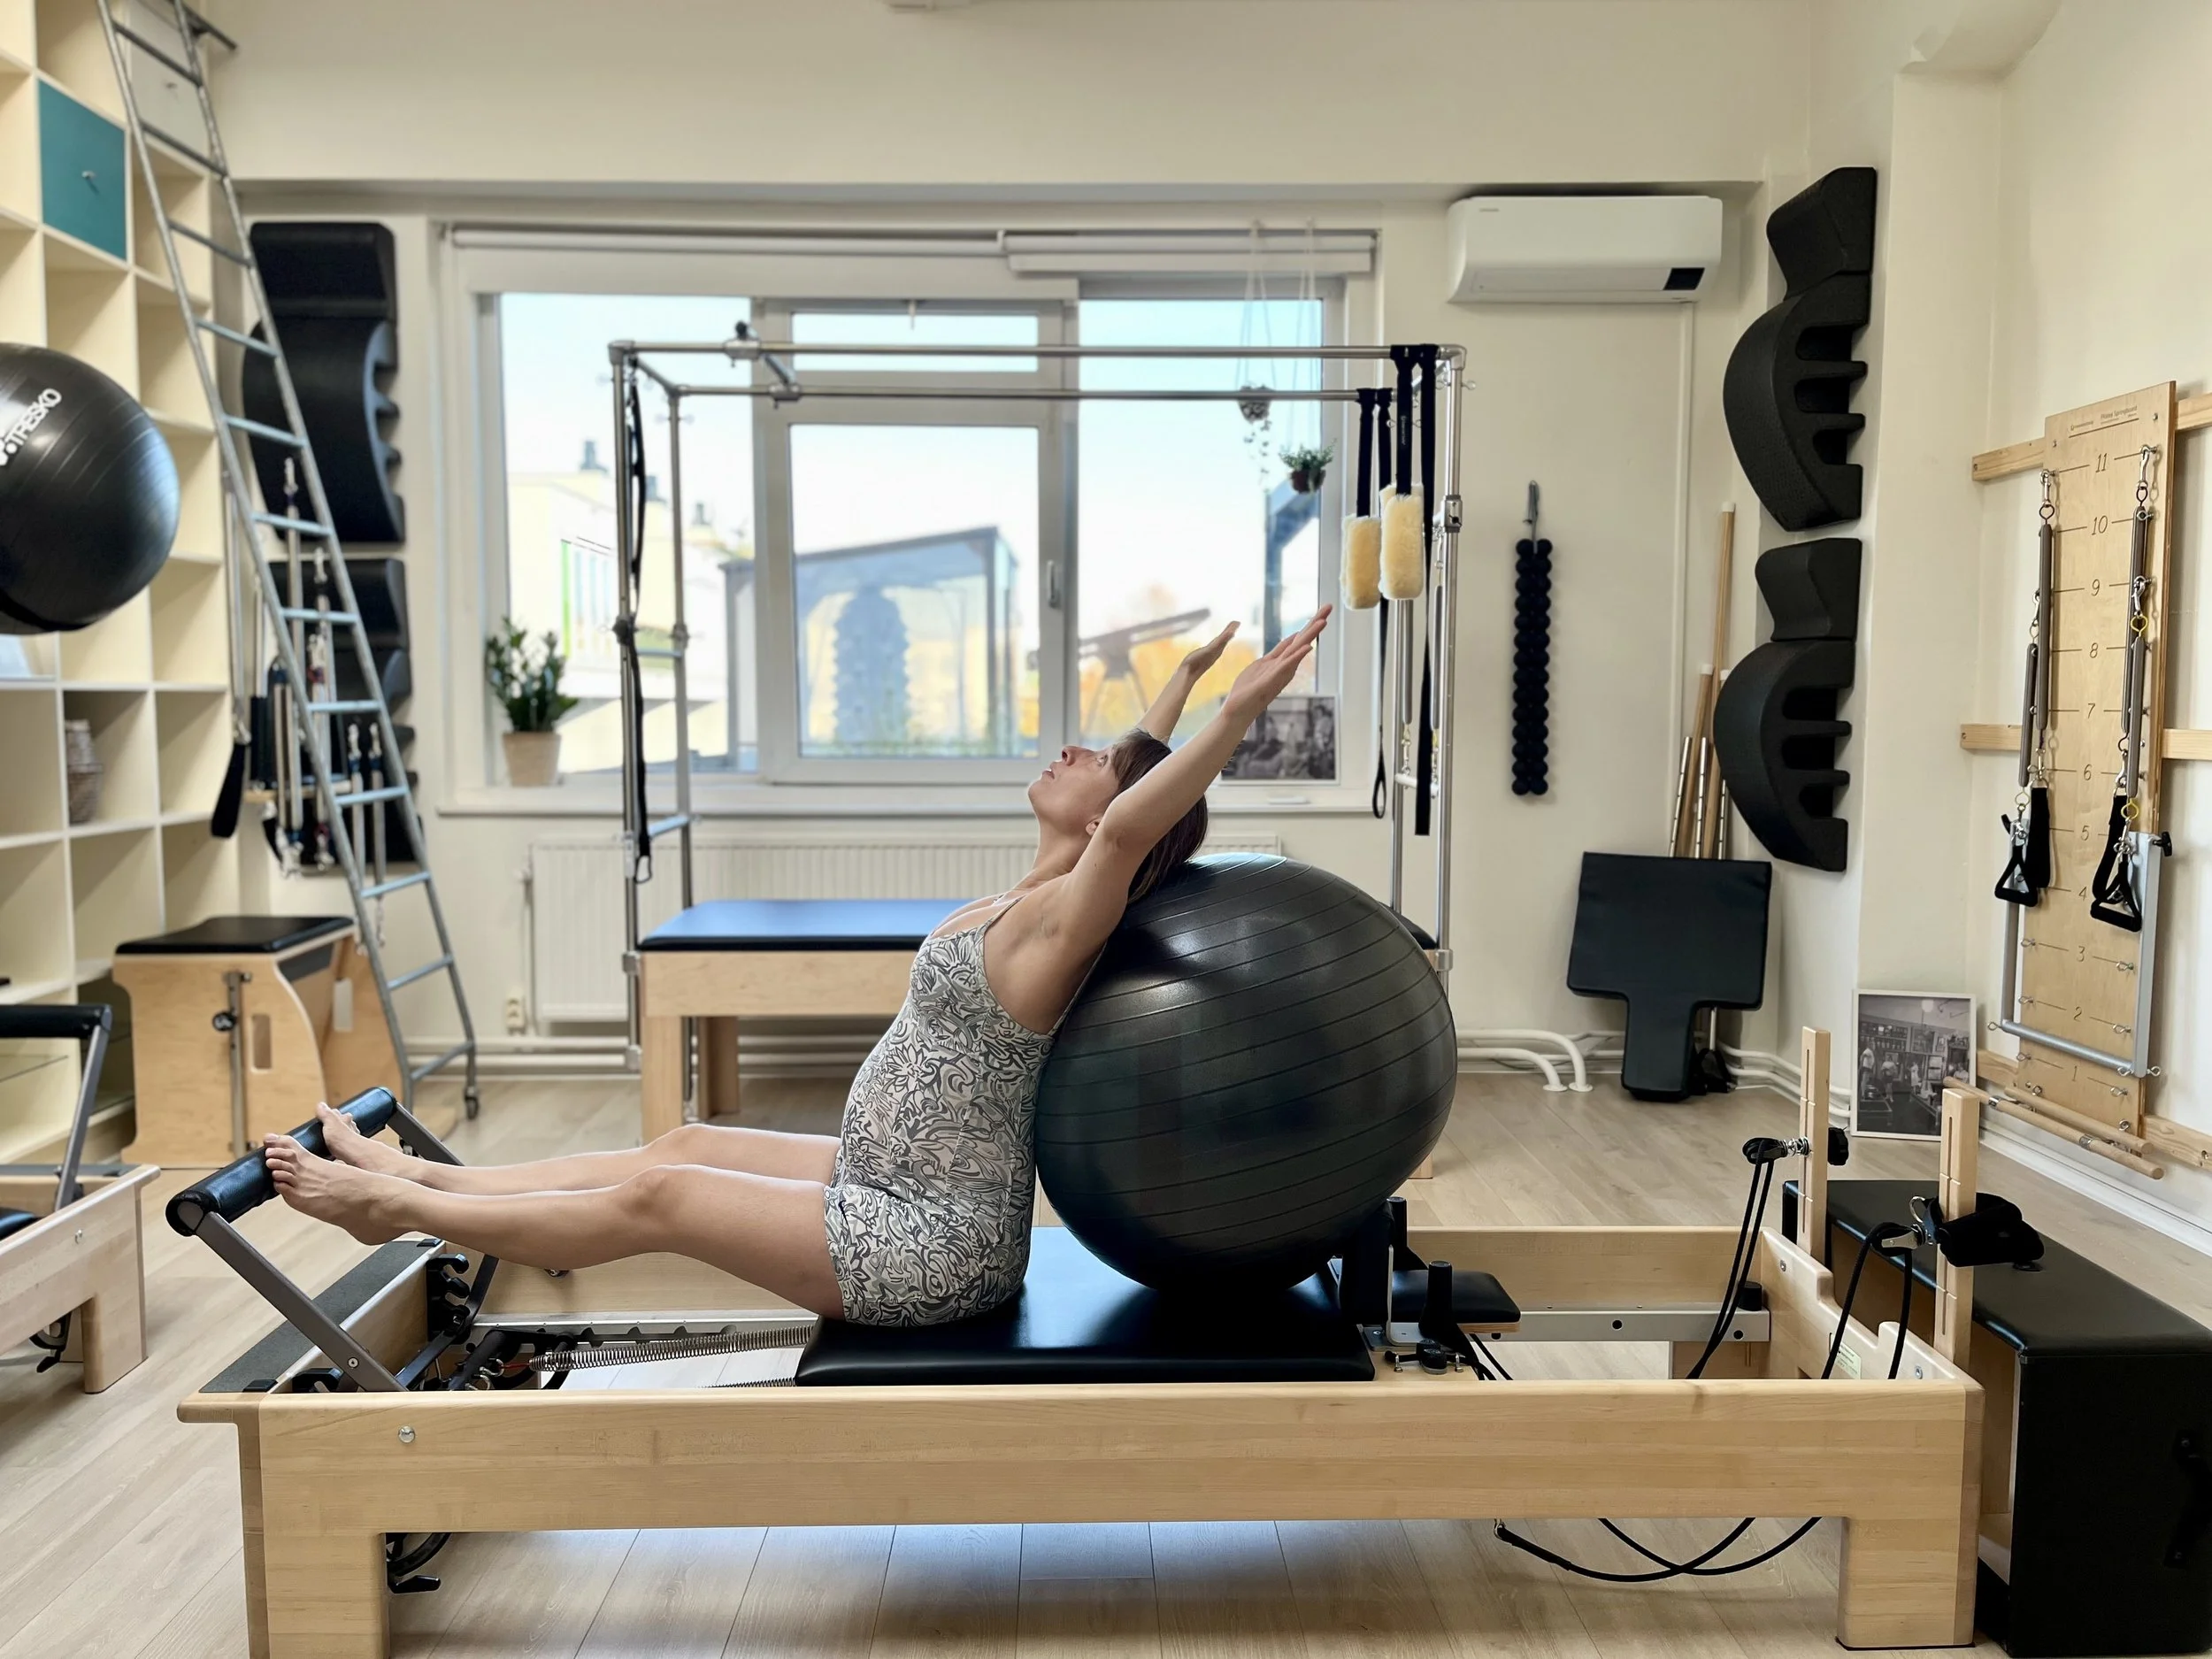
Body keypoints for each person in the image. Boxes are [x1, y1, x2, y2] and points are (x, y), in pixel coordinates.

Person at [265, 609, 1333, 1327]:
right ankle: (421, 1175)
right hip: (882, 1178)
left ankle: (396, 1211)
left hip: (932, 1241)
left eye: (1095, 761)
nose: (1073, 749)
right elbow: (1132, 793)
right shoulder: (1036, 889)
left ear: (1113, 817)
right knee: (681, 1139)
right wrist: (1181, 684)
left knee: (663, 1193)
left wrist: (1236, 713)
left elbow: (1134, 820)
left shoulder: (1066, 920)